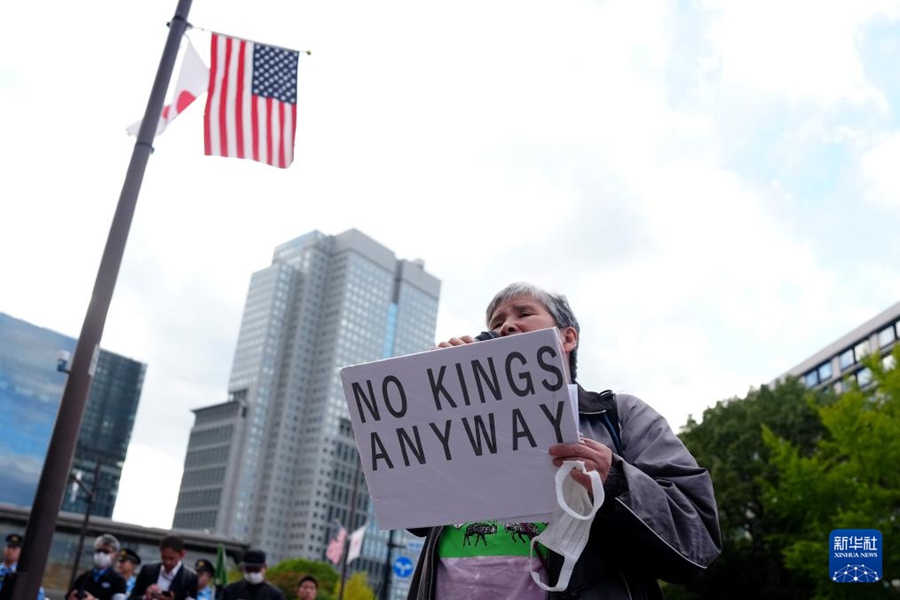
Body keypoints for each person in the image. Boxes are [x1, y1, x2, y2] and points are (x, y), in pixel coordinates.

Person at [406, 282, 722, 600]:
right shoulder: (460, 423)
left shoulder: (621, 416)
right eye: (496, 323)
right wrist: (434, 405)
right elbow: (413, 515)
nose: (506, 326)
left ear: (567, 337)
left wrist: (614, 482)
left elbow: (696, 540)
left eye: (524, 313)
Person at [128, 534, 198, 600]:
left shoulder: (190, 578)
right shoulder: (148, 571)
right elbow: (132, 598)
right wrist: (145, 597)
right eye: (164, 557)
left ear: (182, 554)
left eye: (171, 558)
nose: (167, 562)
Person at [67, 534, 128, 600]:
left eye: (106, 551)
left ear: (115, 555)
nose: (101, 554)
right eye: (98, 551)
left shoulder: (118, 580)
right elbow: (69, 596)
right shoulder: (84, 577)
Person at [0, 534, 46, 600]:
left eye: (14, 548)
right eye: (9, 546)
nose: (10, 550)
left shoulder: (23, 574)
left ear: (21, 551)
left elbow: (38, 594)